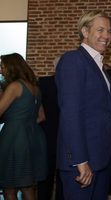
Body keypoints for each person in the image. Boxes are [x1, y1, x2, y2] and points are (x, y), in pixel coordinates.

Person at [55, 10, 111, 200]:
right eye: (100, 30)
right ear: (85, 31)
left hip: (100, 160)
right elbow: (70, 114)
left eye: (109, 31)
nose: (106, 36)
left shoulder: (99, 66)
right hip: (82, 164)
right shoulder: (73, 60)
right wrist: (80, 160)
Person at [0, 53, 47, 200]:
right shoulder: (35, 88)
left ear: (12, 67)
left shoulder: (15, 86)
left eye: (2, 67)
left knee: (9, 186)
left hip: (14, 139)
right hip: (33, 137)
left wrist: (14, 121)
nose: (1, 70)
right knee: (27, 186)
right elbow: (41, 117)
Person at [37, 56, 64, 200]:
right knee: (58, 176)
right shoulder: (45, 82)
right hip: (58, 136)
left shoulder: (43, 82)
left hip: (49, 135)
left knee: (48, 177)